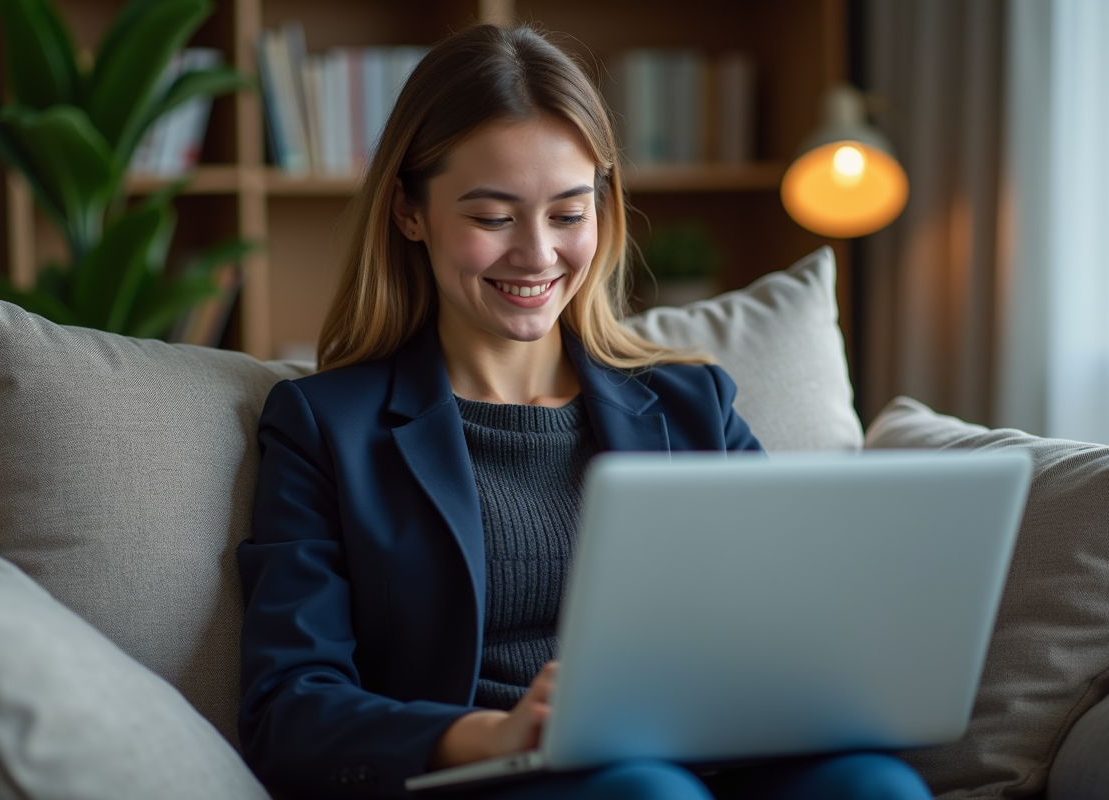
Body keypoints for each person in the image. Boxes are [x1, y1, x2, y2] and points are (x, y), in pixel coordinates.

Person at [237, 22, 933, 800]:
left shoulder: (693, 405)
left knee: (878, 786)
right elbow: (288, 707)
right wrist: (487, 734)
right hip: (495, 778)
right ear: (409, 211)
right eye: (493, 217)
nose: (537, 255)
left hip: (703, 760)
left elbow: (782, 624)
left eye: (568, 214)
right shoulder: (323, 427)